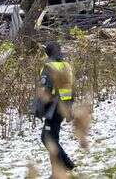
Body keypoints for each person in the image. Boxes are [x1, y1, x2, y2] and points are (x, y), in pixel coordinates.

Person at [39, 42, 75, 174]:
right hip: (64, 106)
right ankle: (60, 169)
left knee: (47, 138)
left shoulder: (49, 67)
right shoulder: (66, 66)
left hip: (52, 107)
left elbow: (46, 90)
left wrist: (41, 108)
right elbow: (71, 88)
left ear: (47, 53)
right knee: (53, 138)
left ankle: (64, 166)